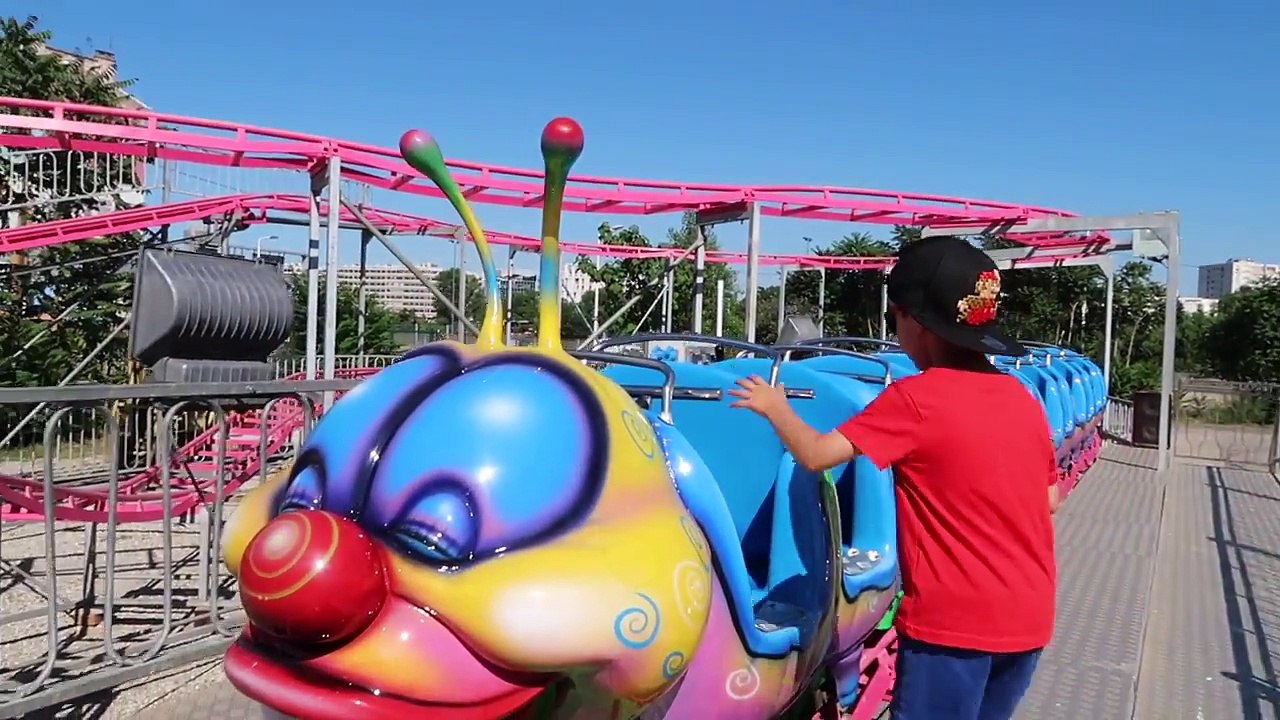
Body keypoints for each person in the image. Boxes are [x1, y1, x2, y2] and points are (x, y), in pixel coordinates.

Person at [728, 236, 1058, 720]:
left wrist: (775, 407)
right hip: (1029, 615)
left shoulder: (916, 400)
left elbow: (817, 455)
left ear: (914, 322)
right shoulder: (1020, 398)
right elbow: (1050, 498)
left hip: (954, 625)